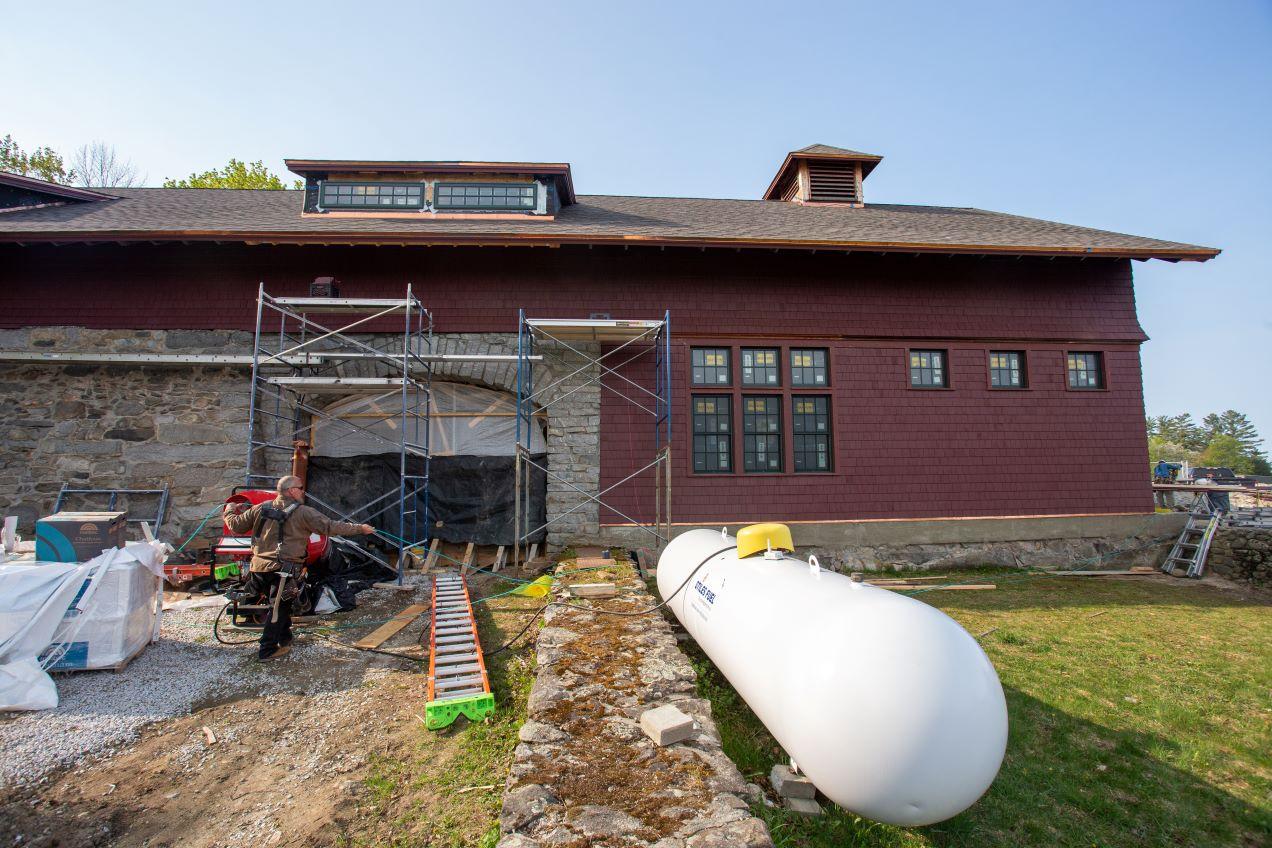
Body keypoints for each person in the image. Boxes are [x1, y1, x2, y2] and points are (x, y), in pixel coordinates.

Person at [223, 476, 374, 661]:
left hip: (259, 568)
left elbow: (236, 525)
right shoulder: (304, 513)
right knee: (278, 609)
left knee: (278, 605)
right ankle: (267, 650)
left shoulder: (261, 508)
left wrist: (229, 511)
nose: (303, 491)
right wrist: (361, 528)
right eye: (301, 488)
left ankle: (285, 639)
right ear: (292, 491)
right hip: (283, 571)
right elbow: (331, 527)